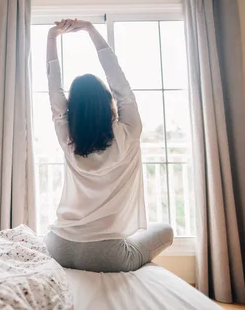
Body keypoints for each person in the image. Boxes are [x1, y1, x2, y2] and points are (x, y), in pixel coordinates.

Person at [43, 19, 173, 272]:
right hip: (106, 255)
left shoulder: (68, 138)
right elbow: (119, 82)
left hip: (58, 247)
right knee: (165, 230)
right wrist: (91, 30)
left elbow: (53, 90)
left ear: (72, 109)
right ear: (108, 100)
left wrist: (52, 36)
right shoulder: (129, 131)